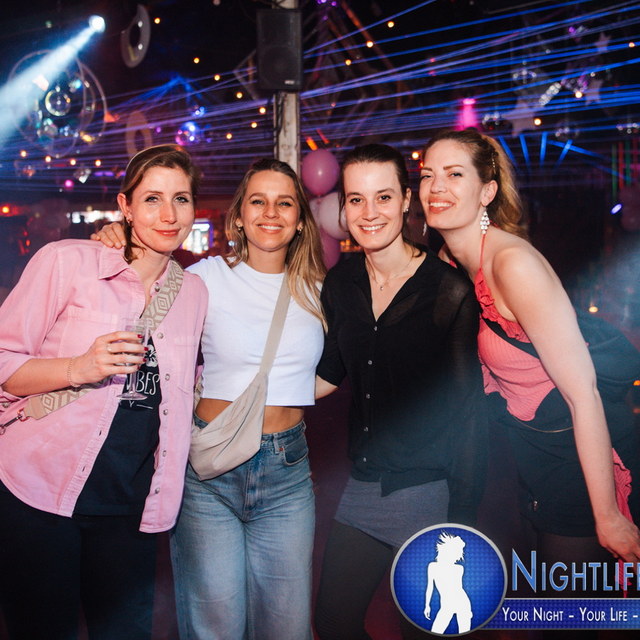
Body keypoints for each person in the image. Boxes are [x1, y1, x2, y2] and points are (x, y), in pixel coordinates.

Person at [93, 158, 327, 640]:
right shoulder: (201, 279)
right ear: (238, 215)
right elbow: (133, 291)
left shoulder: (322, 291)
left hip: (286, 473)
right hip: (208, 472)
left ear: (301, 219)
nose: (271, 213)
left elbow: (347, 367)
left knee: (286, 626)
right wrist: (116, 237)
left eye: (284, 203)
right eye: (257, 201)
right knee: (213, 624)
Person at [0, 144, 208, 639]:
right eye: (152, 199)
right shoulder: (66, 262)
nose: (168, 214)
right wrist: (79, 367)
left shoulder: (194, 293)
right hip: (38, 494)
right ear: (125, 207)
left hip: (131, 505)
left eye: (180, 199)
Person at [419, 127, 640, 580]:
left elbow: (583, 394)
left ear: (487, 192)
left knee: (571, 610)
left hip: (582, 459)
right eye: (427, 174)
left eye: (454, 174)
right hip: (531, 455)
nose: (436, 186)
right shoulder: (449, 261)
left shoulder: (512, 264)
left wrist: (607, 516)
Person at [313, 143, 487, 640]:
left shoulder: (448, 290)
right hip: (365, 485)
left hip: (430, 493)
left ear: (407, 200)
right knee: (332, 623)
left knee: (426, 628)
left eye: (383, 197)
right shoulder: (341, 282)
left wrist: (462, 520)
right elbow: (328, 374)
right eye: (356, 199)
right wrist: (239, 386)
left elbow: (467, 412)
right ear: (343, 207)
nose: (369, 213)